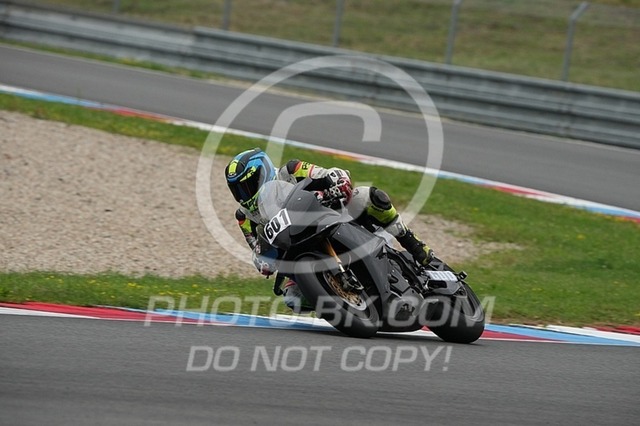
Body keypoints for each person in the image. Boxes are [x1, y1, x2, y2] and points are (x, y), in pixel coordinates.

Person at [224, 147, 433, 311]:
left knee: (367, 196)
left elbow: (328, 173)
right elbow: (256, 247)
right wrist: (262, 260)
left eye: (248, 185)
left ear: (264, 172)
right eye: (237, 190)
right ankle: (344, 305)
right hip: (297, 248)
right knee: (294, 298)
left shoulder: (291, 170)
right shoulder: (245, 217)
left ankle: (414, 245)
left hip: (329, 217)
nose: (244, 194)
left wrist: (337, 182)